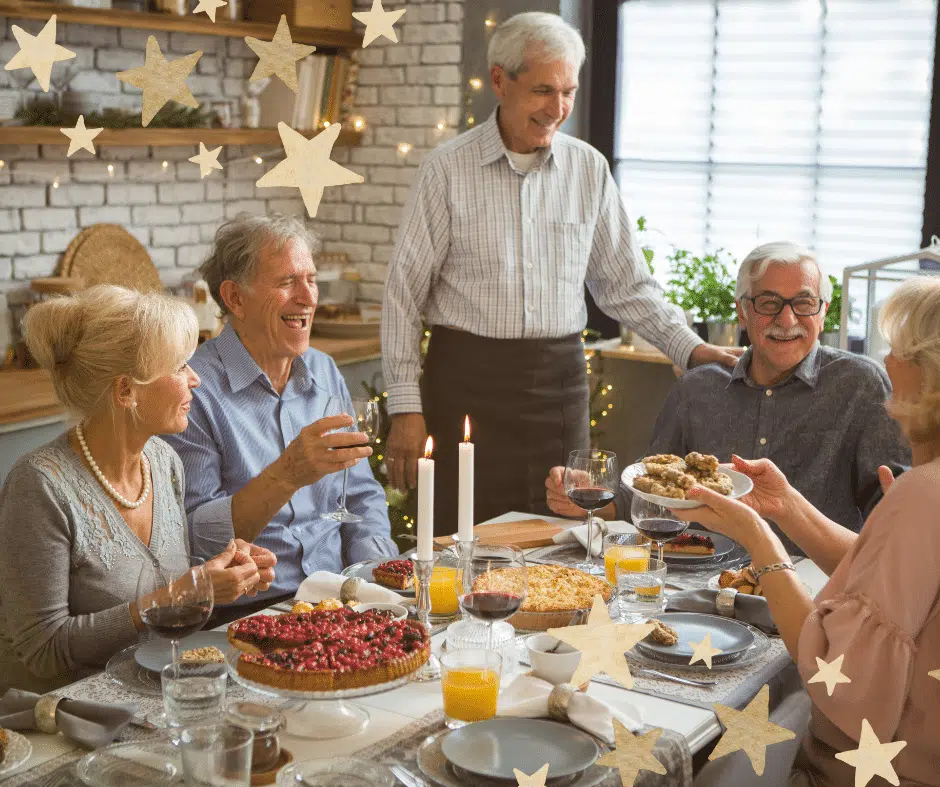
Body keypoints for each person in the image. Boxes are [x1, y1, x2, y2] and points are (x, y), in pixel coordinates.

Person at [381, 12, 741, 531]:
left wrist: (688, 347)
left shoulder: (589, 168)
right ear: (501, 80)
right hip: (464, 382)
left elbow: (625, 285)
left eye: (568, 92)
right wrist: (405, 408)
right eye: (543, 91)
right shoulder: (446, 169)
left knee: (562, 536)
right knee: (459, 538)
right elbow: (403, 295)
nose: (558, 109)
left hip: (558, 387)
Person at [669, 276, 940, 786]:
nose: (886, 363)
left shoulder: (924, 495)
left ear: (929, 373)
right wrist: (786, 506)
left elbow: (835, 677)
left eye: (899, 350)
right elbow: (891, 590)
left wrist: (760, 540)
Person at [545, 242, 910, 553]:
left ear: (824, 311)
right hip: (699, 576)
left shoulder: (860, 384)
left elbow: (894, 512)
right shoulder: (697, 388)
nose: (787, 319)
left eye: (803, 303)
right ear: (742, 311)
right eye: (769, 303)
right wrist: (589, 498)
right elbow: (650, 497)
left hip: (817, 581)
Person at [0, 286, 276, 694]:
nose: (195, 379)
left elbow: (165, 594)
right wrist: (177, 595)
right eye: (181, 366)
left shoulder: (164, 462)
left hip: (158, 689)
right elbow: (43, 651)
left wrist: (218, 578)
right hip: (70, 714)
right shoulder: (39, 485)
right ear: (126, 391)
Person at [165, 214, 397, 621]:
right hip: (251, 612)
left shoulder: (323, 370)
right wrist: (288, 472)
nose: (308, 298)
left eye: (311, 279)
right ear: (235, 298)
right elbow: (197, 538)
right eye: (288, 282)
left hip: (340, 597)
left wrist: (375, 578)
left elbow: (360, 493)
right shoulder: (195, 387)